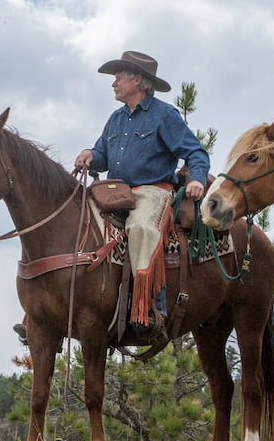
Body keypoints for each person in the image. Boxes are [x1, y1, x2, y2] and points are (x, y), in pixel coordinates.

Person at [74, 50, 209, 339]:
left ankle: (149, 308)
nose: (113, 84)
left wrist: (196, 179)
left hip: (152, 190)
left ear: (137, 79)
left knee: (140, 227)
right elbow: (102, 156)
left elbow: (195, 151)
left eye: (118, 77)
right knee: (76, 219)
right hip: (116, 191)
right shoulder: (115, 119)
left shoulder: (164, 115)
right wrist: (90, 155)